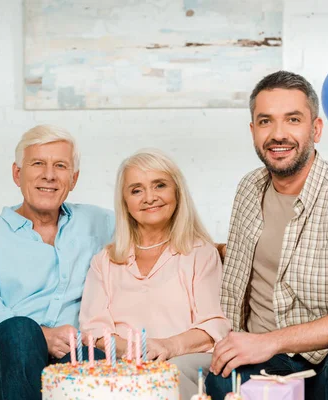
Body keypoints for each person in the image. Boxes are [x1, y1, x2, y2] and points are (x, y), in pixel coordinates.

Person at [205, 71, 328, 400]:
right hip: (265, 365)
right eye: (266, 121)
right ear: (253, 131)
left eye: (293, 120)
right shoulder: (248, 190)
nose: (278, 134)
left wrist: (273, 339)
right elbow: (242, 270)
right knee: (221, 376)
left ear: (316, 129)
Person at [0, 124, 114, 400]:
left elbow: (154, 232)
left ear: (74, 178)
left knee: (92, 358)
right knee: (22, 331)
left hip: (73, 351)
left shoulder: (101, 222)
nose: (49, 175)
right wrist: (42, 335)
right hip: (7, 352)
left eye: (60, 166)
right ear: (17, 174)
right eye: (38, 164)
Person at [79, 148, 230, 399]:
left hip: (186, 363)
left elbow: (214, 324)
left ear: (176, 192)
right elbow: (94, 329)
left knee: (165, 375)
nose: (149, 197)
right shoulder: (104, 261)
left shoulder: (200, 253)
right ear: (125, 202)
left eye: (159, 185)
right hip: (123, 365)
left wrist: (167, 347)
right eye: (137, 190)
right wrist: (134, 351)